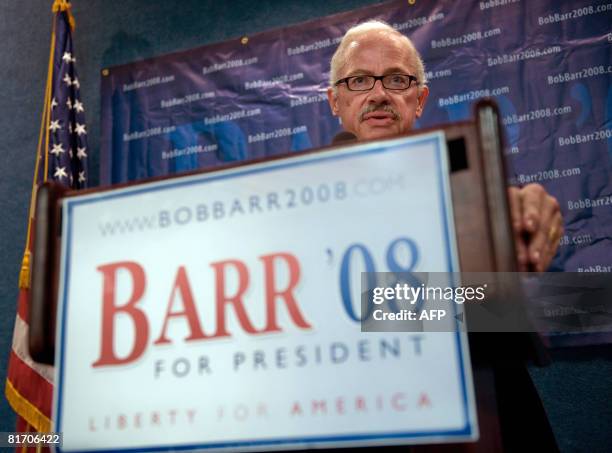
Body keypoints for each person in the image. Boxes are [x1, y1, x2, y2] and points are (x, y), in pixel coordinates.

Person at [327, 20, 563, 272]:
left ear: (419, 100)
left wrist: (520, 221)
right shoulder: (293, 196)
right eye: (359, 80)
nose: (378, 95)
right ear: (335, 101)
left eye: (396, 80)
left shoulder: (467, 176)